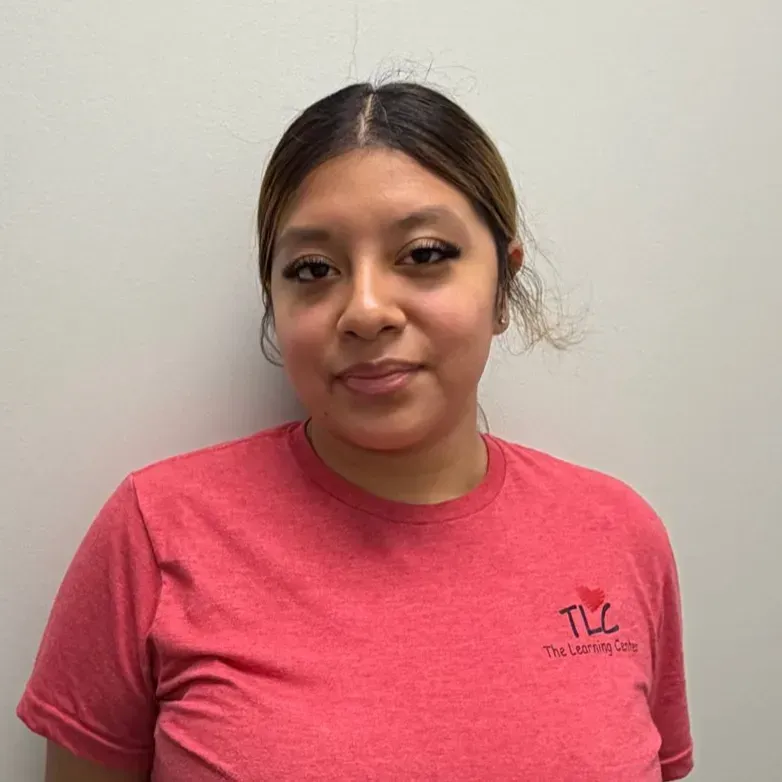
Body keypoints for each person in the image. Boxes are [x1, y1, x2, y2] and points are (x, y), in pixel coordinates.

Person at [18, 81, 693, 782]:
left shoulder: (618, 535)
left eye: (425, 254)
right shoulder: (157, 533)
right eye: (314, 270)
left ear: (502, 287)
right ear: (274, 304)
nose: (365, 311)